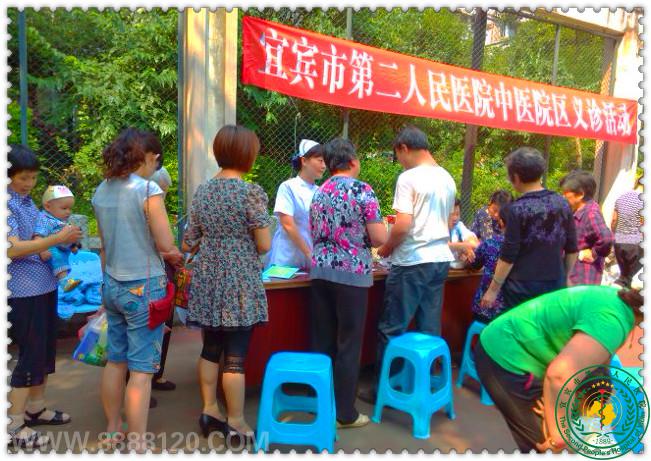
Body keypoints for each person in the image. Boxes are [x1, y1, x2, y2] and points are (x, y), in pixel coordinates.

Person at [92, 128, 183, 451]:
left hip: (112, 284)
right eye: (156, 160)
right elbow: (165, 243)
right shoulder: (147, 190)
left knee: (115, 362)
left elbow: (104, 246)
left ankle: (113, 430)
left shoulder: (101, 190)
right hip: (144, 287)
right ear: (150, 157)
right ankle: (137, 442)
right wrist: (174, 253)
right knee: (142, 371)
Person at [182, 125, 272, 442]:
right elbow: (264, 244)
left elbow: (188, 241)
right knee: (235, 356)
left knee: (210, 347)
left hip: (208, 277)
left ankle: (210, 410)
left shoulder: (203, 191)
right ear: (247, 155)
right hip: (239, 282)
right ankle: (236, 421)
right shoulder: (250, 192)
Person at [476, 285, 643, 453]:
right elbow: (559, 376)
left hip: (535, 353)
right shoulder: (612, 321)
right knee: (550, 446)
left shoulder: (622, 305)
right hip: (505, 353)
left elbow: (597, 369)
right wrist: (558, 436)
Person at [360, 126, 456, 404]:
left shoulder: (409, 178)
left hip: (413, 260)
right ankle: (422, 387)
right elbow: (447, 220)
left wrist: (385, 248)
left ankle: (385, 391)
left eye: (397, 155)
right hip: (440, 259)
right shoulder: (446, 177)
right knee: (429, 328)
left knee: (392, 328)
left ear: (403, 148)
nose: (399, 162)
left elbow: (402, 225)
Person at [7, 145, 82, 448]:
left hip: (45, 287)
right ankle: (13, 425)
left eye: (33, 177)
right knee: (30, 355)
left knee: (43, 353)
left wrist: (66, 240)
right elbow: (11, 248)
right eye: (22, 177)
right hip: (23, 291)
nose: (29, 183)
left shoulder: (27, 203)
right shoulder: (7, 204)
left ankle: (35, 408)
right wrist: (57, 239)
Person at [309, 137, 387, 428]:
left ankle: (321, 404)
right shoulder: (362, 190)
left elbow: (314, 231)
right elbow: (378, 238)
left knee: (323, 340)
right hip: (351, 275)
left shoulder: (318, 193)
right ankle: (344, 414)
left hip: (320, 271)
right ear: (353, 161)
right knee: (348, 344)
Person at [480, 147, 578, 311]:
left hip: (521, 287)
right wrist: (566, 276)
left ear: (516, 177)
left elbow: (508, 255)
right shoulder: (562, 203)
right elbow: (572, 247)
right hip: (555, 283)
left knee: (522, 326)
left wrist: (493, 290)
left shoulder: (517, 209)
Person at [266, 139, 326, 269]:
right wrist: (309, 253)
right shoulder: (288, 187)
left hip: (311, 261)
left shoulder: (321, 191)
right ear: (304, 161)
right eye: (320, 160)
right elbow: (287, 224)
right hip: (286, 259)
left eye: (325, 161)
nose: (324, 166)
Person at [149, 164, 177, 392]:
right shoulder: (142, 205)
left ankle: (157, 374)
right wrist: (170, 254)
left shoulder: (157, 205)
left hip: (163, 272)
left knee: (165, 324)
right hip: (148, 274)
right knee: (148, 328)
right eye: (161, 188)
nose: (164, 194)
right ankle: (141, 382)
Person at [560, 170, 613, 286]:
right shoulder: (578, 211)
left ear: (580, 194)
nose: (563, 197)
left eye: (565, 193)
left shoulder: (591, 213)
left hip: (582, 279)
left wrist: (593, 253)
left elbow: (606, 238)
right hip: (572, 276)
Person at [467, 207, 508, 324]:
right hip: (511, 309)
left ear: (501, 222)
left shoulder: (491, 243)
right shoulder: (526, 248)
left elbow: (474, 263)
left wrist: (467, 255)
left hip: (485, 306)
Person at [34, 185, 81, 283]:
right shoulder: (45, 219)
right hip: (51, 248)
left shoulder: (61, 220)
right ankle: (64, 281)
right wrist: (42, 249)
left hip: (62, 248)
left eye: (70, 209)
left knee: (64, 259)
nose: (68, 212)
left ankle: (66, 279)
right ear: (48, 207)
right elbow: (38, 236)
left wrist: (73, 246)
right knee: (58, 259)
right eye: (64, 208)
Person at [611, 179, 643, 288]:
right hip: (636, 243)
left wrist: (615, 235)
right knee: (629, 278)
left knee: (624, 275)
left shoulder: (621, 198)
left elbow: (614, 221)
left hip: (619, 242)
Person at [448, 197, 479, 269]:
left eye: (457, 214)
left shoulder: (459, 225)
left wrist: (466, 249)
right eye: (452, 214)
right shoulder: (438, 226)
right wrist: (462, 246)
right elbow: (443, 245)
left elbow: (475, 244)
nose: (455, 218)